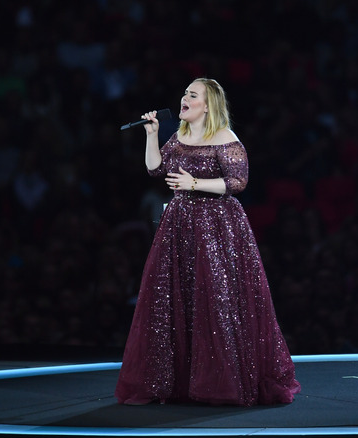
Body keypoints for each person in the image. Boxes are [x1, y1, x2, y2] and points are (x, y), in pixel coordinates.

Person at [115, 78, 301, 406]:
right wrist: (152, 135)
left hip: (217, 225)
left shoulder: (226, 138)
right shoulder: (180, 135)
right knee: (177, 297)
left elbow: (238, 181)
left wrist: (195, 182)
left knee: (215, 298)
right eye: (184, 92)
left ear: (208, 104)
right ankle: (179, 382)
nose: (184, 98)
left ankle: (221, 382)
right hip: (180, 224)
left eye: (192, 94)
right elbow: (156, 170)